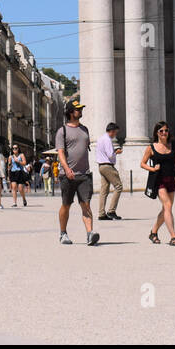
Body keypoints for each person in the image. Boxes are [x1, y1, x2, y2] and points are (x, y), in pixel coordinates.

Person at [55, 100, 98, 246]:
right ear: (71, 112)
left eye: (80, 109)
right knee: (66, 205)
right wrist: (67, 169)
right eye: (78, 109)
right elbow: (60, 152)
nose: (80, 111)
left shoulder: (85, 129)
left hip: (84, 174)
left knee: (86, 204)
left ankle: (90, 234)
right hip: (67, 175)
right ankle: (63, 233)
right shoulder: (62, 131)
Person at [141, 122, 175, 245]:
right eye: (161, 131)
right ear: (157, 133)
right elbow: (142, 163)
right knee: (168, 206)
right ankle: (173, 237)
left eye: (166, 130)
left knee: (166, 208)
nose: (164, 133)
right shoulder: (151, 147)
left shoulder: (173, 146)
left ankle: (153, 232)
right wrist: (153, 169)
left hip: (170, 180)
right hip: (158, 180)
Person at [95, 122, 123, 221]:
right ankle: (111, 211)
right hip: (107, 166)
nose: (115, 134)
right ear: (111, 131)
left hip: (101, 166)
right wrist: (117, 151)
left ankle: (101, 213)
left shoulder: (100, 138)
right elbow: (110, 154)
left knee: (104, 190)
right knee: (118, 186)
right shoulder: (107, 140)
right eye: (115, 132)